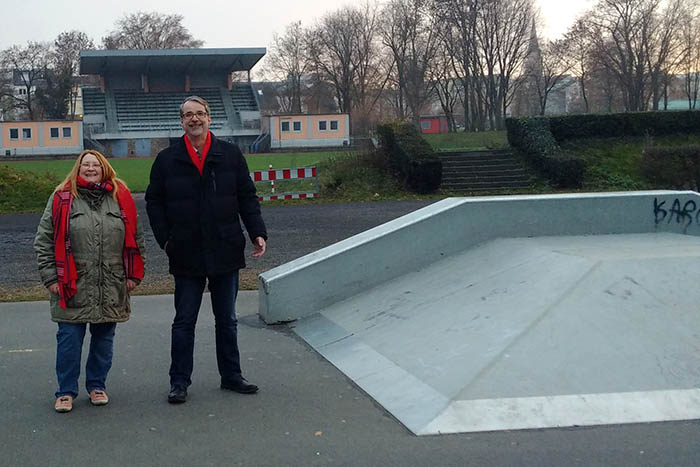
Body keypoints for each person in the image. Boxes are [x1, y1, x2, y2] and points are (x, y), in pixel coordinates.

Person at [145, 95, 267, 404]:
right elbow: (154, 203)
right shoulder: (167, 159)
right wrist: (166, 241)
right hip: (185, 252)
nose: (195, 119)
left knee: (226, 319)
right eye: (188, 115)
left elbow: (247, 197)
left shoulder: (230, 154)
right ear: (181, 121)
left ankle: (232, 376)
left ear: (210, 118)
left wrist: (257, 233)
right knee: (184, 321)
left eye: (200, 113)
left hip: (225, 249)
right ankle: (179, 381)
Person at [34, 150, 145, 413]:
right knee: (69, 340)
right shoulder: (62, 197)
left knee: (103, 340)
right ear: (78, 168)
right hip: (72, 283)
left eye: (96, 164)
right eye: (86, 165)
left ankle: (97, 386)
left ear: (104, 168)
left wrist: (133, 275)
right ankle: (65, 391)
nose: (91, 169)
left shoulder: (121, 198)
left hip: (110, 282)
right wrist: (51, 277)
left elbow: (136, 239)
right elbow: (44, 240)